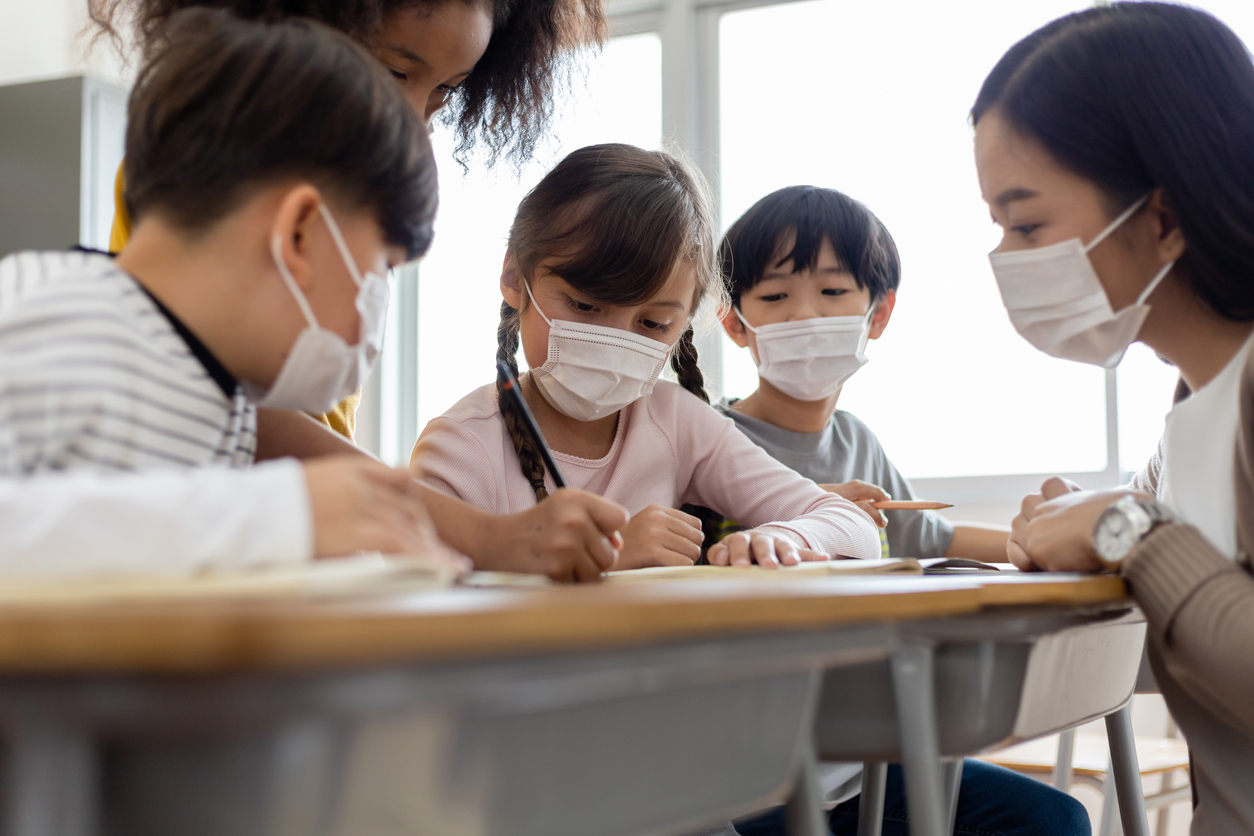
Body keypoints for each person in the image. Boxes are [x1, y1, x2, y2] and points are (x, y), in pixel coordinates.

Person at [91, 0, 631, 583]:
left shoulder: (353, 193)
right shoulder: (202, 182)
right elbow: (229, 409)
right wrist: (480, 534)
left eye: (446, 92)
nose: (413, 124)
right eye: (394, 73)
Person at [0, 10, 460, 573]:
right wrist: (278, 517)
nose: (369, 326)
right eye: (377, 273)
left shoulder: (222, 402)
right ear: (297, 233)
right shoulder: (50, 318)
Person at [972, 4, 1254, 833]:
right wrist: (1084, 522)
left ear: (1163, 219)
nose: (1005, 261)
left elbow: (1152, 540)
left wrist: (1126, 529)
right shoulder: (1194, 410)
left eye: (1026, 224)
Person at [411, 144, 881, 569]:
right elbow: (420, 606)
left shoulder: (675, 421)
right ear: (516, 277)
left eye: (653, 324)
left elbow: (850, 524)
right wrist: (607, 558)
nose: (614, 339)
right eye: (584, 306)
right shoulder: (462, 447)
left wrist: (780, 537)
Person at [710, 186, 1010, 562]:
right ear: (734, 323)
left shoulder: (858, 444)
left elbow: (937, 542)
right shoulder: (707, 440)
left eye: (832, 290)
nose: (805, 314)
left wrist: (1050, 537)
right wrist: (813, 513)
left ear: (879, 313)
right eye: (774, 296)